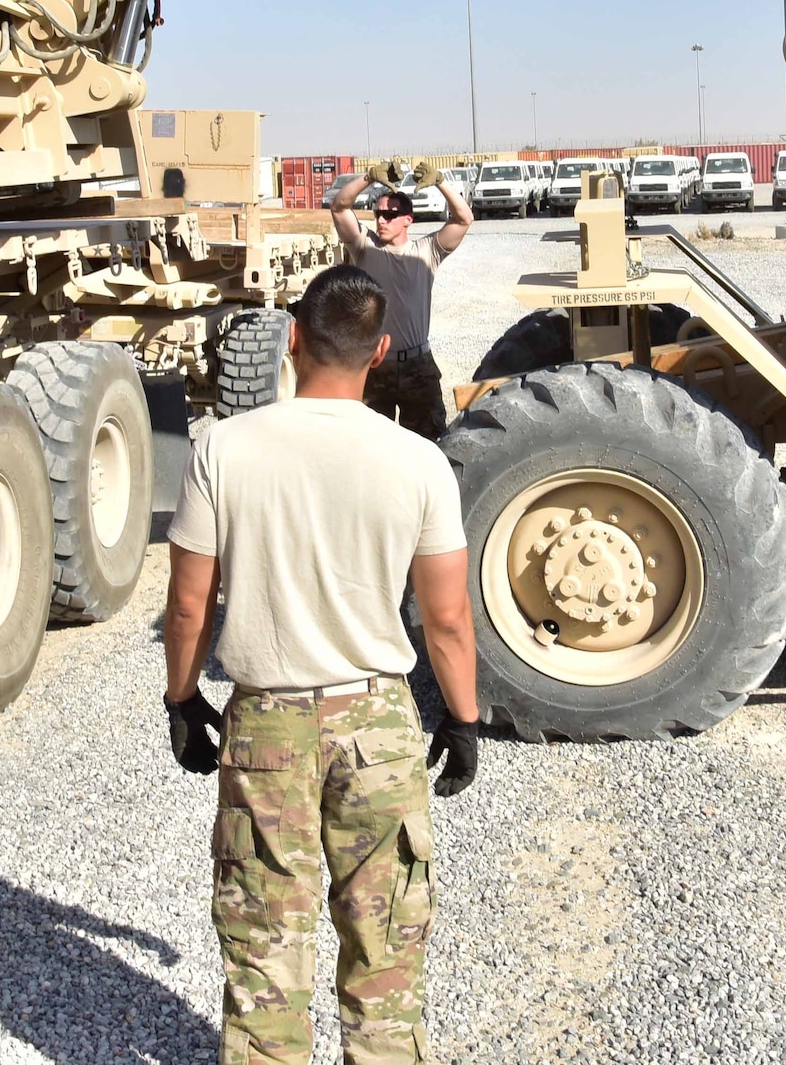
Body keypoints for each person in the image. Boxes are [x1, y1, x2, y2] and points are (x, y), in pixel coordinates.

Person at [162, 263, 480, 1065]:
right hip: (376, 723)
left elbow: (191, 603)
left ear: (294, 339)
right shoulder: (417, 461)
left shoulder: (223, 450)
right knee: (385, 942)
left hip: (265, 720)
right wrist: (466, 718)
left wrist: (182, 697)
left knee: (266, 941)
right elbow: (446, 619)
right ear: (379, 352)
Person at [328, 160, 474, 439]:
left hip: (417, 368)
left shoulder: (427, 251)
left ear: (408, 219)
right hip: (374, 366)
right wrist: (369, 177)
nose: (381, 220)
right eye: (378, 214)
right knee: (369, 446)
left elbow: (464, 219)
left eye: (390, 215)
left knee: (429, 445)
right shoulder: (364, 247)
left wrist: (440, 181)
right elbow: (339, 207)